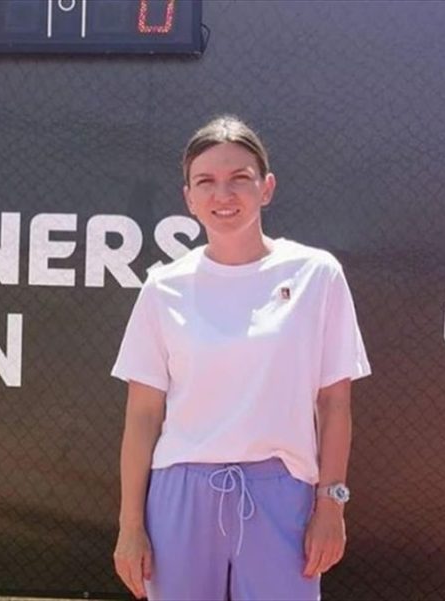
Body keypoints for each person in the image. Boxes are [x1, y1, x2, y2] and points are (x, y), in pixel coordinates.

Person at [111, 115, 371, 600]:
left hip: (283, 497)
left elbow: (334, 404)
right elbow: (143, 415)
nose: (222, 195)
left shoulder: (318, 275)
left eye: (239, 179)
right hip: (179, 497)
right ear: (188, 197)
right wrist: (130, 527)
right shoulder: (162, 287)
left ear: (266, 188)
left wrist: (331, 505)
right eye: (205, 182)